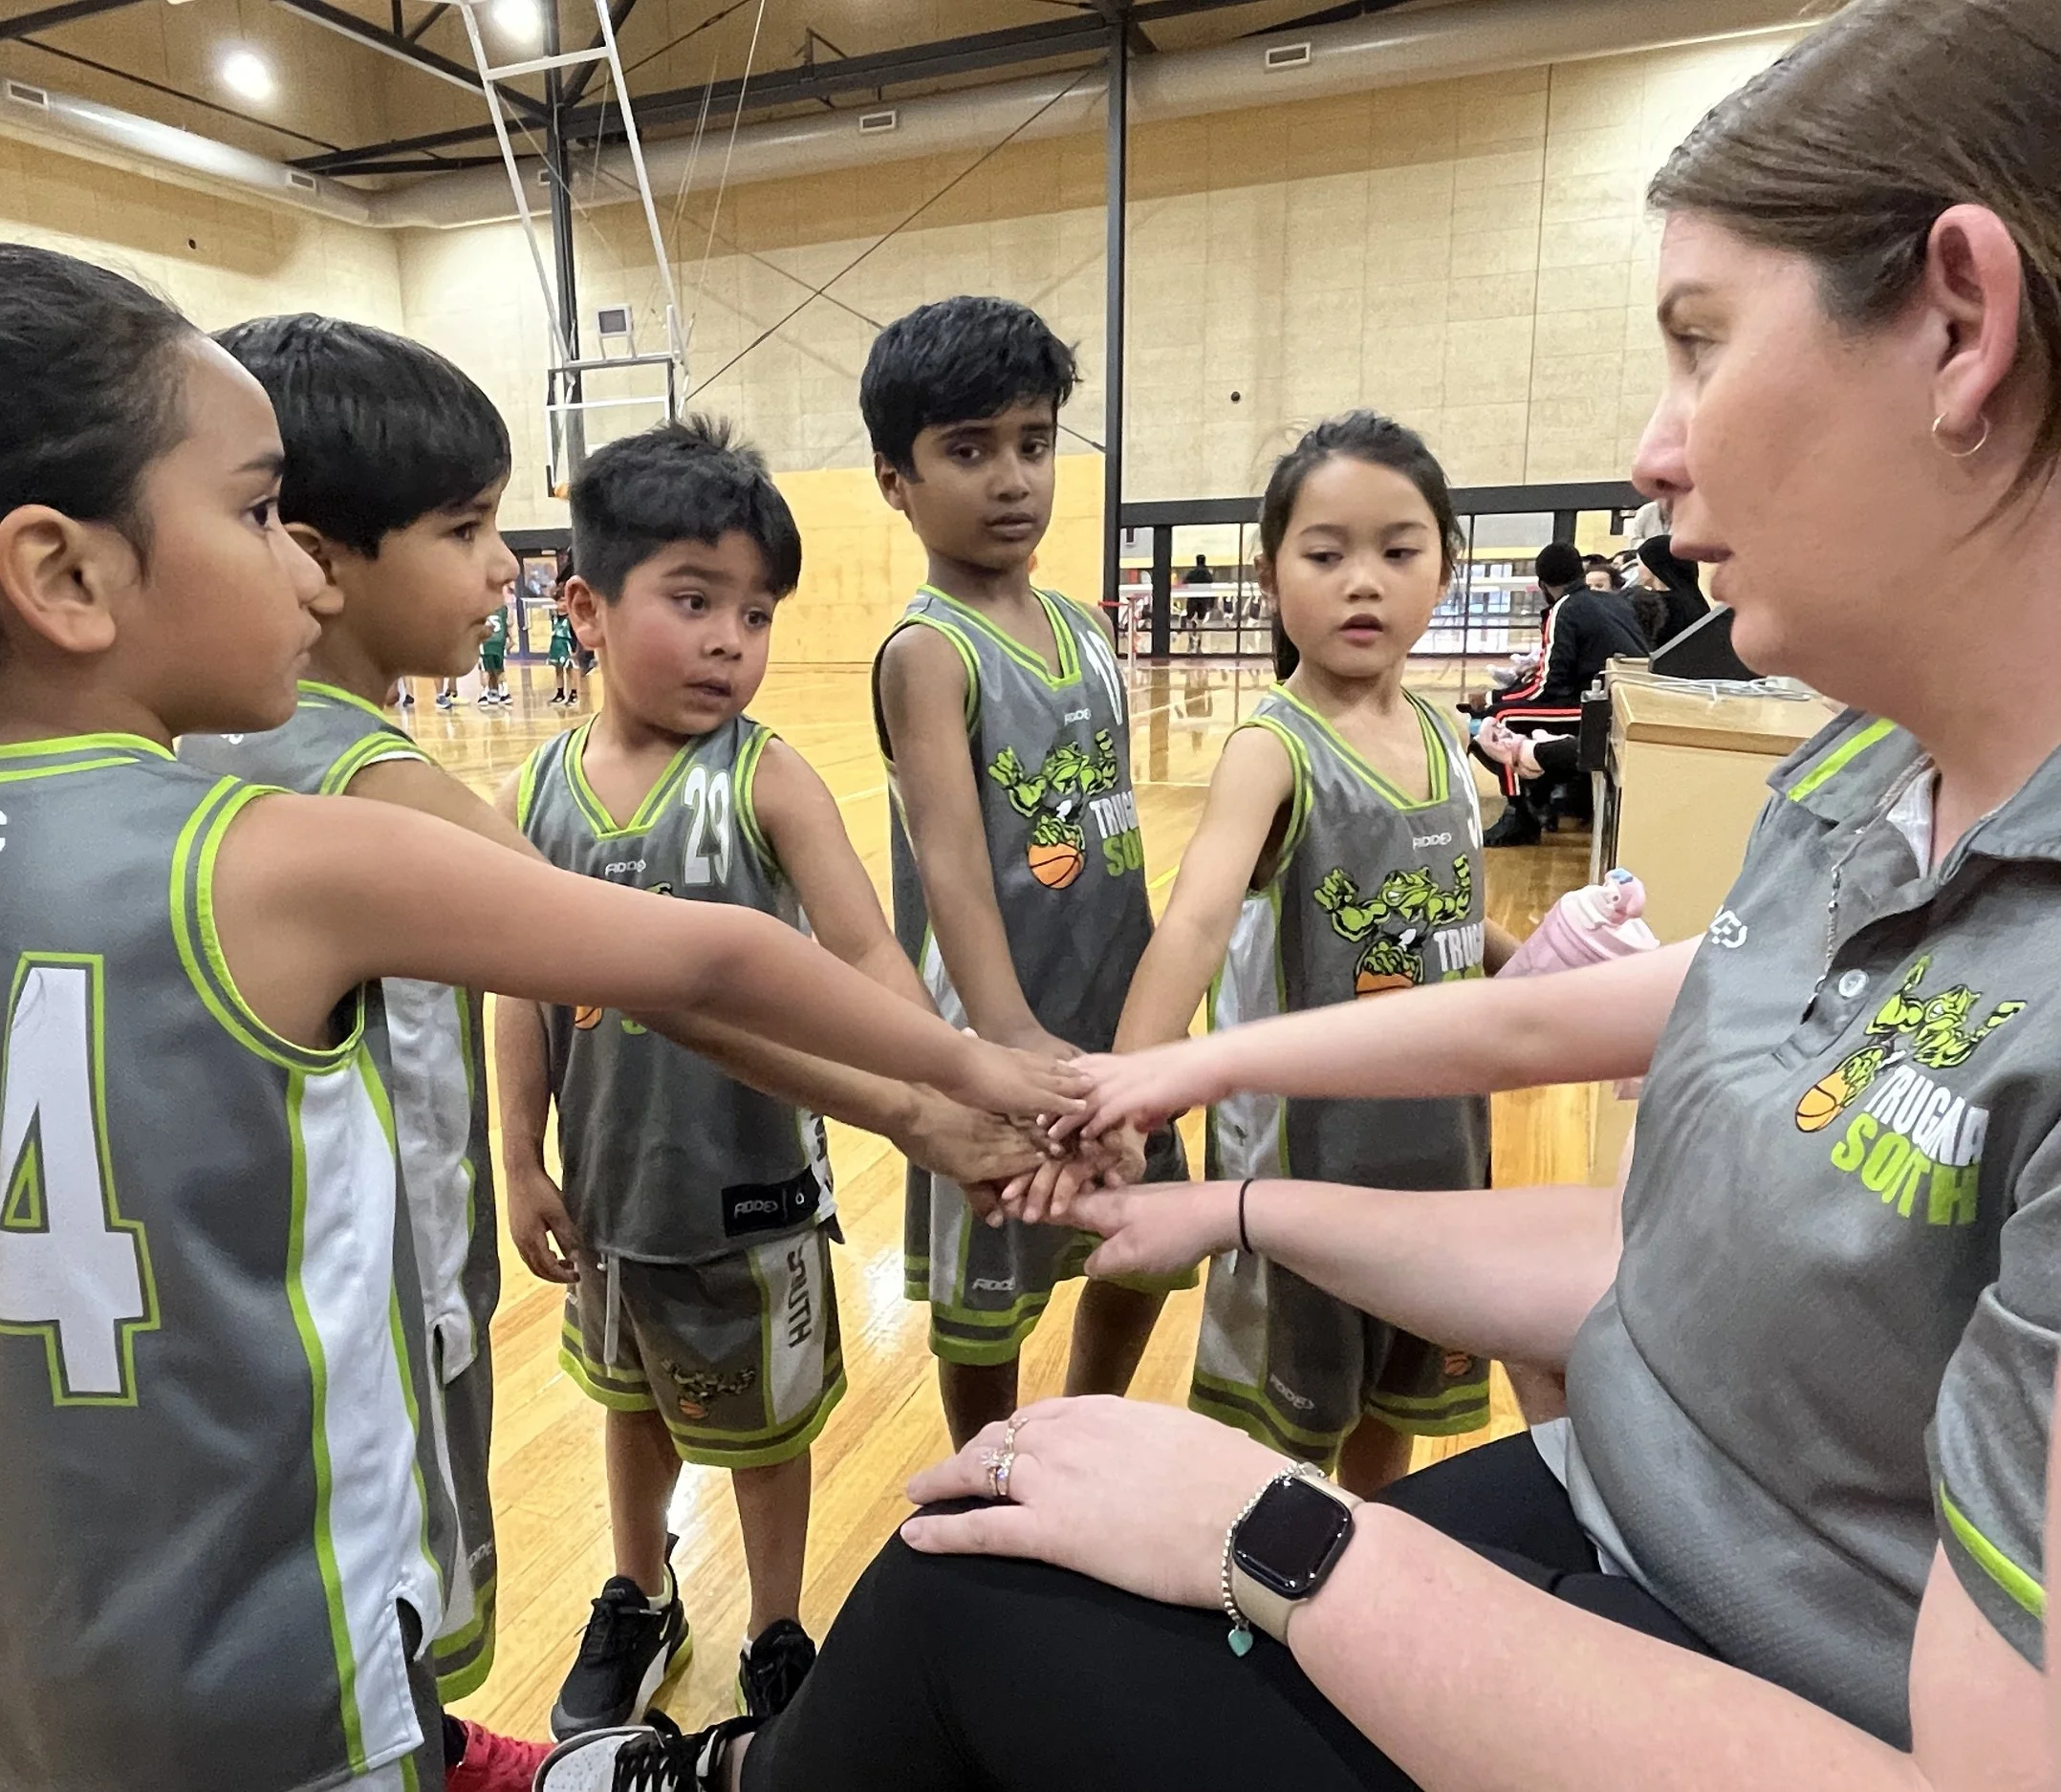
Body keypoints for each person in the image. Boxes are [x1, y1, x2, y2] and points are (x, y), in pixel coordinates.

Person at [533, 4, 2061, 1785]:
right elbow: (1658, 1255)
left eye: (1699, 345)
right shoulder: (1854, 781)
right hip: (1598, 1497)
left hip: (1712, 1650)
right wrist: (1182, 1122)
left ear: (1960, 326)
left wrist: (1283, 1541)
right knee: (985, 1535)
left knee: (994, 1585)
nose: (1651, 447)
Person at [0, 242, 1083, 1792]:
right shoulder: (271, 845)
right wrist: (967, 1068)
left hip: (13, 1642)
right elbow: (694, 964)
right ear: (64, 574)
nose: (303, 564)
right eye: (259, 512)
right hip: (256, 1645)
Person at [500, 417, 946, 1736]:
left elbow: (869, 952)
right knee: (627, 1401)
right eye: (692, 600)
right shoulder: (539, 791)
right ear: (583, 606)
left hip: (756, 1201)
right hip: (611, 1199)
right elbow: (517, 989)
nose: (727, 641)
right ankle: (638, 1594)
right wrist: (519, 1154)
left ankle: (775, 1624)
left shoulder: (769, 780)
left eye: (754, 613)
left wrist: (956, 1086)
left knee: (767, 1432)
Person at [176, 312, 539, 1788]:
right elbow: (654, 962)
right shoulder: (363, 785)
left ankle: (429, 1738)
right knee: (380, 1557)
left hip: (263, 1303)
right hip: (363, 1290)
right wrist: (941, 1087)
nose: (507, 565)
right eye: (468, 527)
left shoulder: (183, 754)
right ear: (319, 558)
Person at [1105, 412, 1516, 1500]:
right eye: (1325, 554)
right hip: (1301, 1175)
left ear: (1446, 567)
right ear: (1270, 572)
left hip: (1441, 1162)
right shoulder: (1271, 748)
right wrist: (1128, 1093)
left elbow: (1438, 917)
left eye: (1398, 550)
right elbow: (1193, 921)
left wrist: (1538, 960)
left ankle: (1367, 1587)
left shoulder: (1437, 736)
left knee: (1395, 1415)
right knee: (1282, 1456)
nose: (1362, 582)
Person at [861, 294, 1187, 1450]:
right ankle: (989, 1464)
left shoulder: (1084, 626)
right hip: (1002, 1016)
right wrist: (999, 1032)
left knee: (1143, 1241)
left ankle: (1088, 1433)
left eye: (1033, 443)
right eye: (967, 450)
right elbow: (947, 859)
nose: (1011, 479)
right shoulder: (928, 651)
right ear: (895, 479)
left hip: (1113, 1004)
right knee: (988, 1290)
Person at [1472, 540, 1647, 847]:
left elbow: (1549, 686)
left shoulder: (1564, 608)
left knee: (1497, 719)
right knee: (1509, 709)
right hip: (1626, 700)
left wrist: (1490, 700)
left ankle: (1519, 816)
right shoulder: (1613, 601)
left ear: (1542, 584)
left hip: (1596, 706)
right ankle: (1537, 795)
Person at [548, 599, 581, 706]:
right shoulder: (554, 617)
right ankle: (560, 693)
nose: (559, 604)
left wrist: (575, 650)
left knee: (570, 670)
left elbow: (575, 635)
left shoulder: (571, 618)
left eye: (563, 601)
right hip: (556, 644)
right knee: (558, 669)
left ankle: (574, 694)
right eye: (557, 602)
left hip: (567, 644)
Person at [477, 607, 511, 706]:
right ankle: (505, 693)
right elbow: (508, 623)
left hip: (486, 641)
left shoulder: (480, 609)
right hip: (499, 641)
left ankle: (485, 694)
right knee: (500, 669)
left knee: (485, 669)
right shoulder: (502, 608)